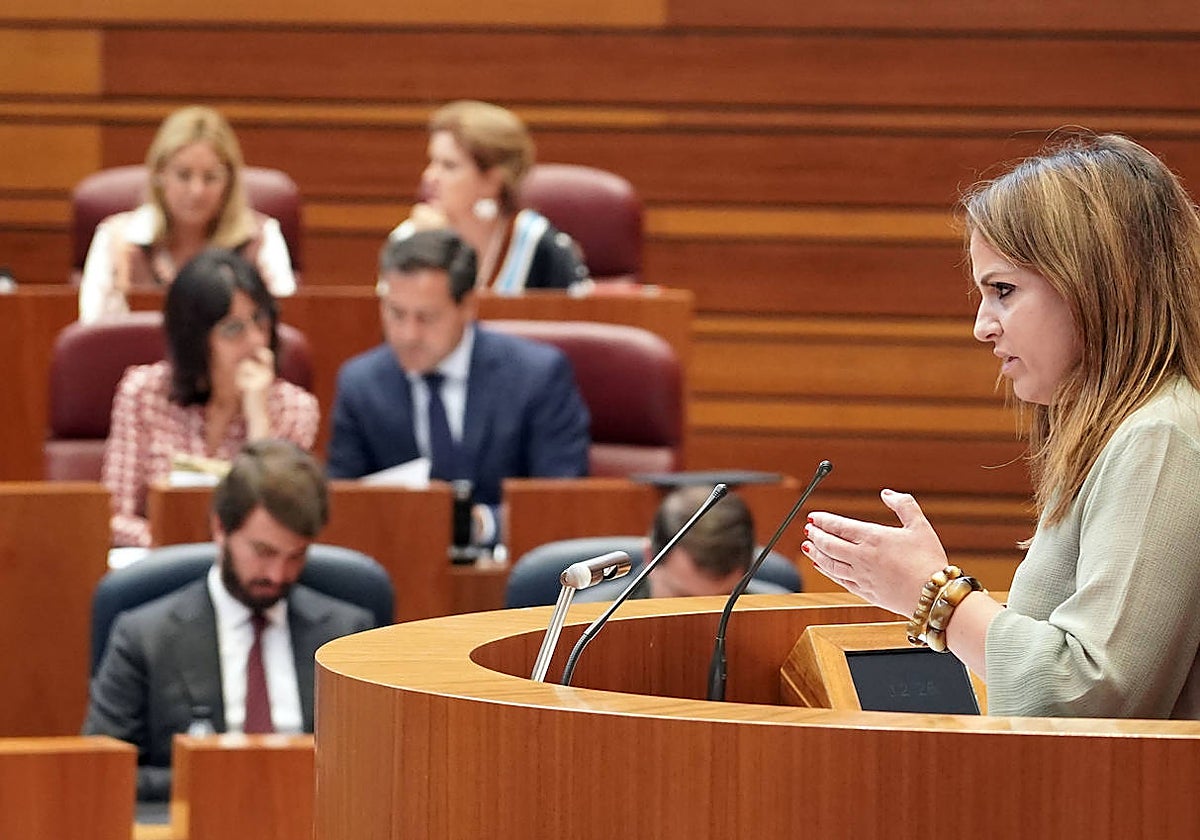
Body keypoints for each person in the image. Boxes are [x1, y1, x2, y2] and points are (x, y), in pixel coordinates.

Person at [802, 133, 1200, 719]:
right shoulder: (1125, 431)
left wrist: (936, 599)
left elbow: (1089, 695)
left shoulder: (1160, 435)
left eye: (1004, 291)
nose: (982, 327)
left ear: (1093, 284)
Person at [84, 439, 376, 801]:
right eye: (263, 552)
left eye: (296, 556)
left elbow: (378, 769)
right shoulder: (145, 637)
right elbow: (100, 775)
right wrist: (225, 779)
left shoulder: (347, 636)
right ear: (220, 528)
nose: (278, 574)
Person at [327, 229, 590, 545]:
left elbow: (558, 502)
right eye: (396, 314)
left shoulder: (537, 376)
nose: (408, 334)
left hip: (512, 573)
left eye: (426, 317)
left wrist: (477, 525)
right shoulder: (361, 384)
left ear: (467, 306)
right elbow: (343, 504)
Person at [103, 249, 318, 547]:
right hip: (159, 567)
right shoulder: (143, 393)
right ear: (194, 340)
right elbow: (112, 517)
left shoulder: (295, 409)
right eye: (233, 329)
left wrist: (259, 419)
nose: (255, 341)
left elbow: (280, 521)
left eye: (260, 321)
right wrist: (176, 540)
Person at [79, 105, 296, 323]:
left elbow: (284, 332)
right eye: (183, 175)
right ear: (159, 173)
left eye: (210, 177)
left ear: (229, 182)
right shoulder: (116, 241)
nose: (197, 191)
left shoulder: (260, 238)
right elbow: (94, 337)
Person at [388, 99, 588, 293]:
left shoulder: (541, 247)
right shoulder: (409, 238)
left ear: (492, 181)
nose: (429, 176)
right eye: (432, 161)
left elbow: (581, 322)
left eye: (449, 166)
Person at [578, 486, 789, 602]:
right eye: (684, 599)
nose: (704, 620)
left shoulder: (782, 620)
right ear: (650, 556)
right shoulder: (587, 625)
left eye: (723, 599)